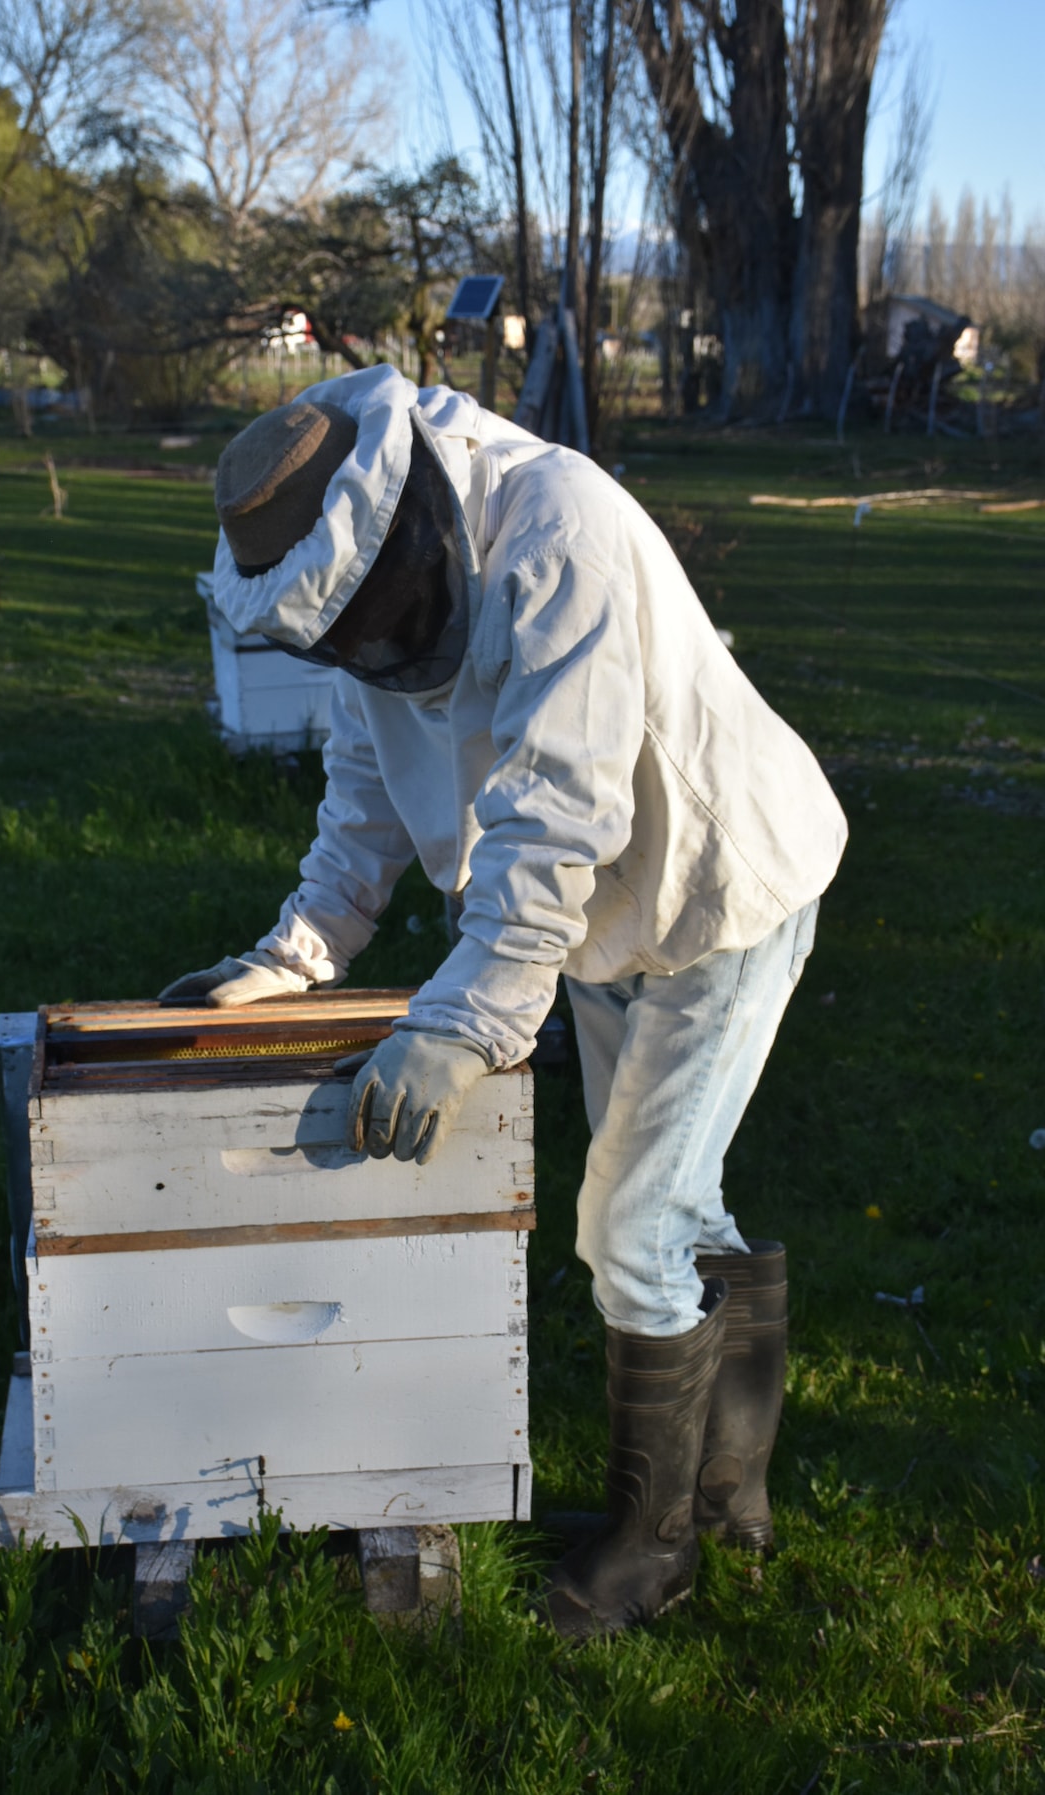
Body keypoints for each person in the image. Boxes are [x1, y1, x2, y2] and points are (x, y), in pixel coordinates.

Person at [161, 365, 847, 1638]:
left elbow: (556, 821)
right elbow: (362, 805)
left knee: (626, 1220)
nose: (375, 647)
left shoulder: (556, 528)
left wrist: (464, 1023)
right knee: (671, 1196)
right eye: (346, 636)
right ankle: (730, 1496)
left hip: (715, 885)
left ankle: (654, 1548)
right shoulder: (371, 601)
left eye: (380, 618)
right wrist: (294, 953)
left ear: (406, 514)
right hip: (593, 925)